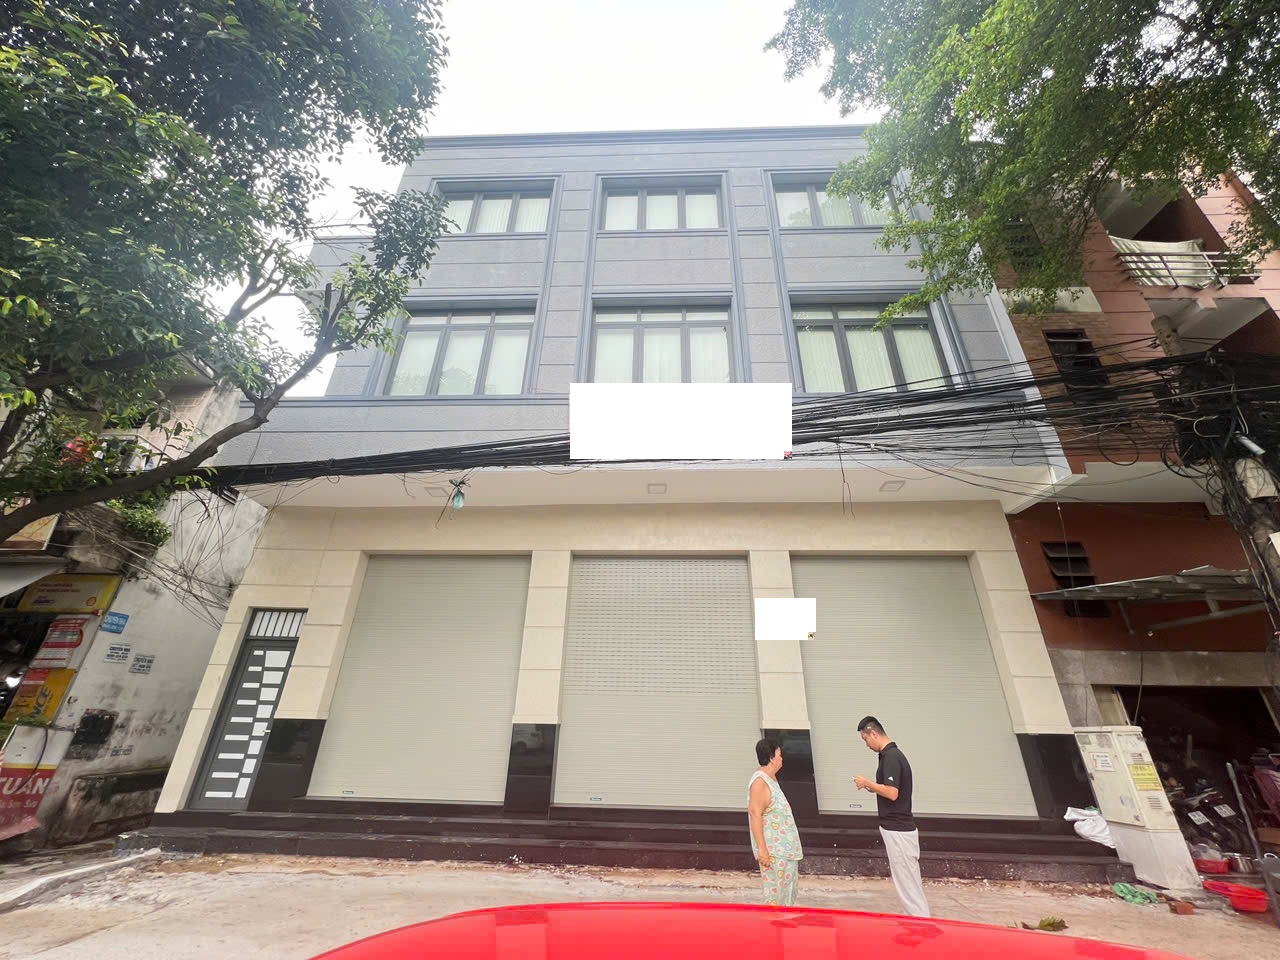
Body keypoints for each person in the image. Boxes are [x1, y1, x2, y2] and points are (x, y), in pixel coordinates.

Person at [853, 716, 930, 918]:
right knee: (906, 882)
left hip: (899, 830)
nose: (866, 744)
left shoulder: (891, 757)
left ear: (873, 733)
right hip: (897, 829)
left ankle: (920, 923)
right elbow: (890, 790)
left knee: (908, 885)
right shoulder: (889, 756)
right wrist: (873, 788)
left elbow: (892, 793)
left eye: (865, 739)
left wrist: (867, 783)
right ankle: (915, 921)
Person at [748, 737, 803, 906]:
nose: (782, 759)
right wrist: (762, 850)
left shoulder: (771, 779)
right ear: (771, 758)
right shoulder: (760, 783)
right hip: (774, 853)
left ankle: (783, 923)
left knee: (786, 897)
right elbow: (755, 814)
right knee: (776, 899)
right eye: (779, 755)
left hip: (785, 852)